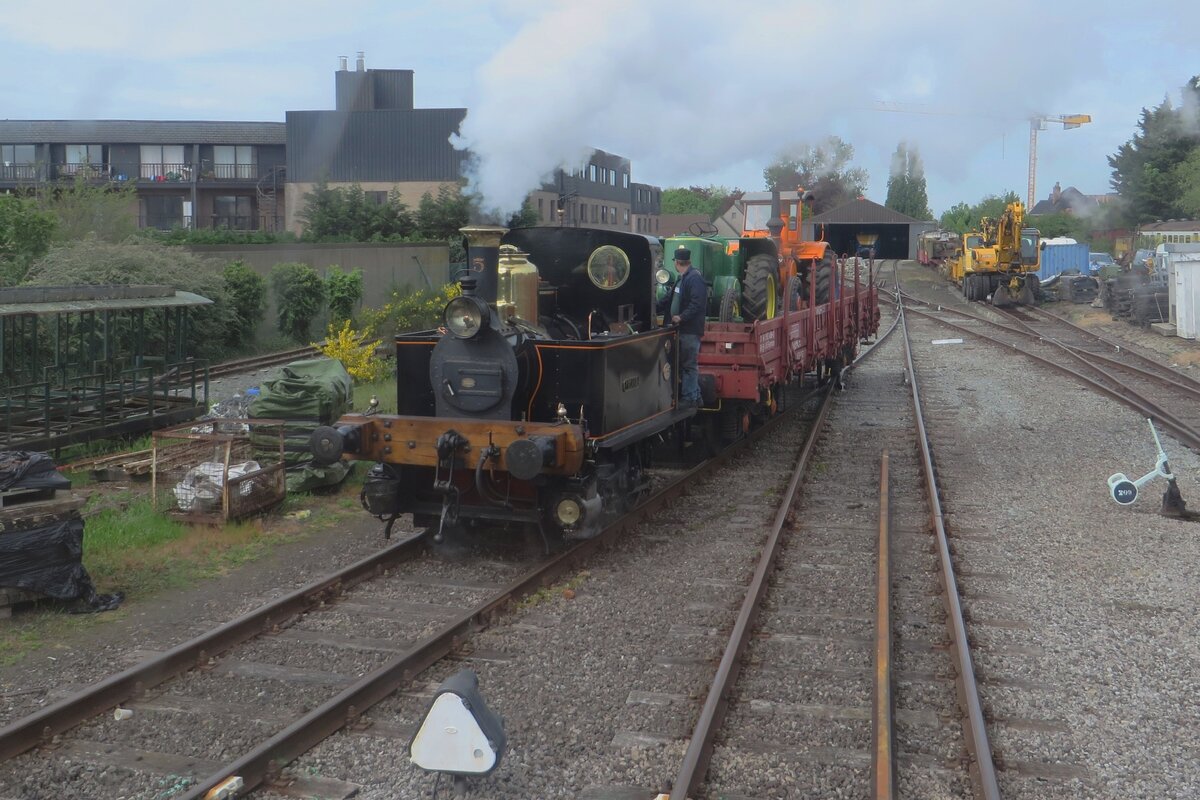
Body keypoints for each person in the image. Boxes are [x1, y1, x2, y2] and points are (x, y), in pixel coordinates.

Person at [658, 247, 706, 407]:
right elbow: (669, 298)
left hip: (689, 330)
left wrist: (681, 317)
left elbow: (697, 304)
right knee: (684, 363)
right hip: (681, 329)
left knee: (688, 365)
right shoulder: (682, 279)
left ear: (678, 263)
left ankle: (690, 397)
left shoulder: (694, 279)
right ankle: (696, 396)